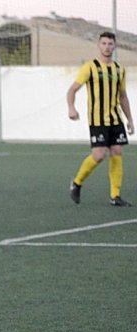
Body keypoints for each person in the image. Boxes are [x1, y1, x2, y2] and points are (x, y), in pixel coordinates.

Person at [67, 31, 134, 207]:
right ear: (99, 45)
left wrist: (130, 120)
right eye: (103, 43)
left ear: (115, 46)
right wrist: (71, 107)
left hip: (115, 119)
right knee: (98, 156)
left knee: (117, 152)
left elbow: (123, 96)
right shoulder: (90, 67)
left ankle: (115, 196)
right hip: (97, 120)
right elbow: (72, 90)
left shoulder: (119, 69)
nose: (107, 47)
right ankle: (77, 182)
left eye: (110, 43)